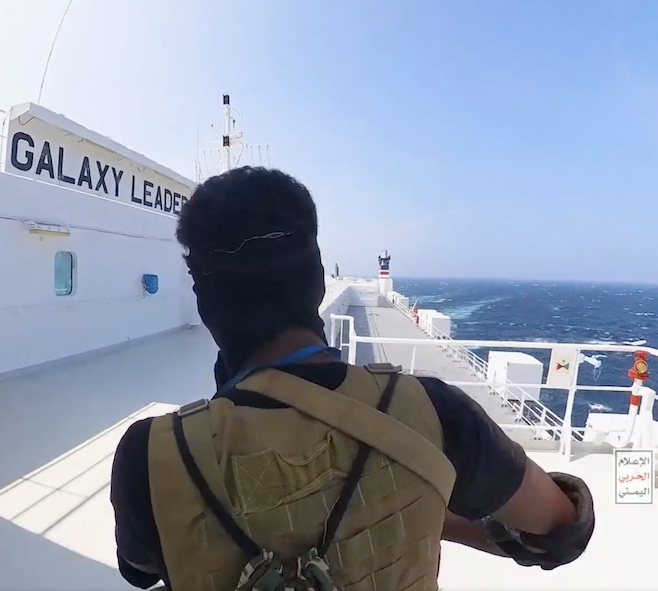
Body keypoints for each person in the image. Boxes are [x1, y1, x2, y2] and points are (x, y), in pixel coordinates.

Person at [110, 167, 594, 591]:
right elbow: (560, 526)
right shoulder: (430, 414)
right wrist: (419, 495)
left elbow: (143, 566)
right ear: (318, 279)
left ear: (204, 301)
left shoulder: (148, 458)